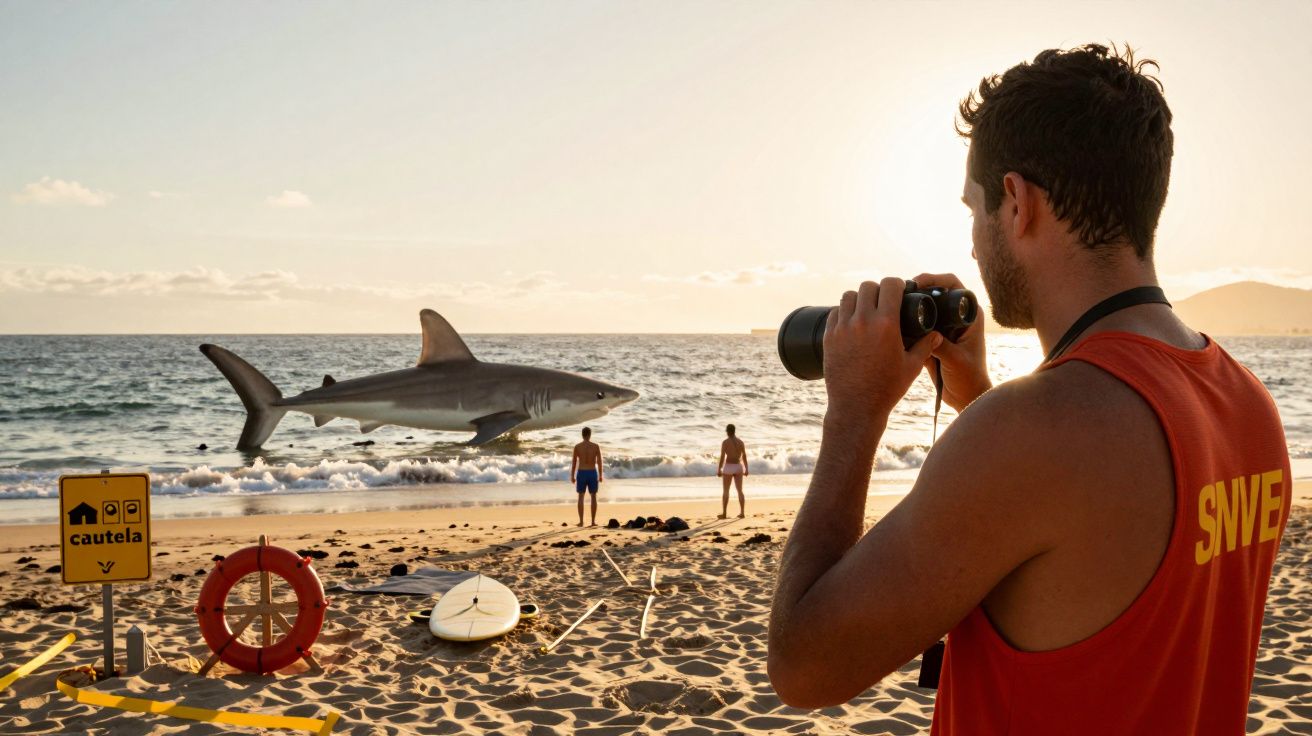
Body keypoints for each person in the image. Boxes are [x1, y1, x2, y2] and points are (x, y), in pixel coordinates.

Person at [767, 44, 1291, 735]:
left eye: (975, 209)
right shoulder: (1248, 404)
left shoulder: (1033, 434)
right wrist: (979, 397)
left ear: (1017, 203)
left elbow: (803, 665)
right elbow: (1090, 570)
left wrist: (855, 412)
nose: (974, 244)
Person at [571, 426, 603, 527]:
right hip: (592, 472)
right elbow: (599, 462)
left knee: (581, 496)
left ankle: (581, 522)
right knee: (593, 496)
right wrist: (600, 475)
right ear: (590, 435)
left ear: (582, 435)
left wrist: (572, 476)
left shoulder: (577, 447)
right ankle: (593, 522)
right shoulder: (595, 446)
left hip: (581, 472)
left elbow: (574, 463)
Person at [717, 424, 749, 519]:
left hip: (728, 467)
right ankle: (742, 513)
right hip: (738, 467)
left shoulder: (725, 442)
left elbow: (722, 457)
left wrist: (719, 469)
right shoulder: (740, 442)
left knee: (726, 491)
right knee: (740, 491)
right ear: (734, 431)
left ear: (727, 431)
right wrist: (746, 468)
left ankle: (724, 513)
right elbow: (744, 456)